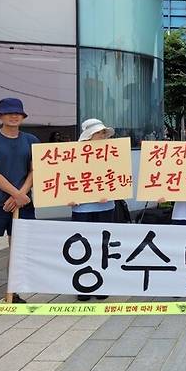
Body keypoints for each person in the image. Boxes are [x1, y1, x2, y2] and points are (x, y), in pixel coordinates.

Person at [0, 98, 39, 304]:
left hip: (24, 203)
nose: (14, 116)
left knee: (19, 249)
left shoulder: (31, 140)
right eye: (8, 113)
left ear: (23, 116)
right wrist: (16, 194)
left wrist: (21, 195)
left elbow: (35, 170)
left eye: (17, 113)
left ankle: (12, 293)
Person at [70, 118, 116, 301]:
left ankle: (101, 284)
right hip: (82, 208)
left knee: (103, 246)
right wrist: (68, 197)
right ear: (88, 136)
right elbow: (66, 177)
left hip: (106, 205)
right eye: (98, 133)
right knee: (82, 246)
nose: (101, 136)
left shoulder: (112, 153)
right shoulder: (73, 154)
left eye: (103, 133)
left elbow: (119, 177)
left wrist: (112, 192)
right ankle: (83, 285)